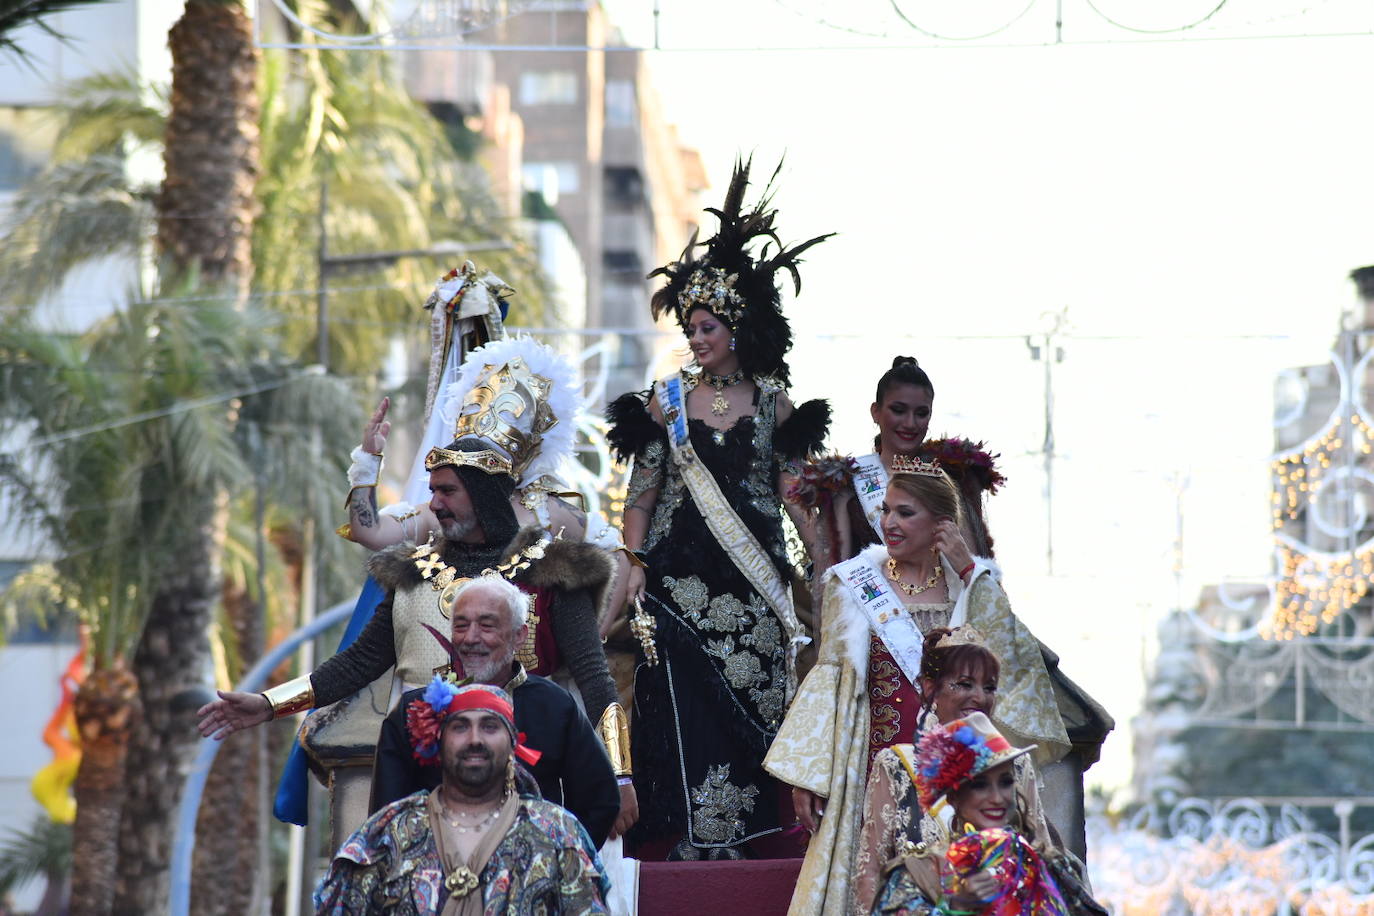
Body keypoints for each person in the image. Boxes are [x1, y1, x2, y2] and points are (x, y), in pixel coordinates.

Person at [198, 345, 636, 839]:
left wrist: (620, 776)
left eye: (447, 491)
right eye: (432, 491)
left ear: (484, 494)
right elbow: (359, 662)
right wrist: (267, 703)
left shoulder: (553, 568)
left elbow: (595, 679)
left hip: (526, 787)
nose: (434, 504)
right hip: (426, 787)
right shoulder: (414, 571)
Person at [605, 158, 832, 859]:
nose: (697, 336)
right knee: (680, 703)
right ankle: (692, 836)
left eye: (708, 325)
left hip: (755, 582)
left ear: (736, 326)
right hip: (676, 580)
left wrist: (824, 562)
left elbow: (795, 493)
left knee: (760, 701)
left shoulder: (773, 401)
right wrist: (634, 559)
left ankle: (751, 836)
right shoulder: (665, 401)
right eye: (691, 326)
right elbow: (642, 494)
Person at [764, 460, 1068, 914]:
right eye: (886, 510)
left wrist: (971, 573)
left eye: (905, 513)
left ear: (942, 524)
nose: (889, 522)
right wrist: (812, 774)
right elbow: (832, 677)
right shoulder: (854, 586)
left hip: (962, 772)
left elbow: (1013, 663)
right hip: (873, 764)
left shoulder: (971, 589)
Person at [314, 682, 611, 915]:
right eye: (460, 727)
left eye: (490, 726)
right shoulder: (389, 833)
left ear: (513, 745)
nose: (475, 739)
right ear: (437, 743)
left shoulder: (556, 832)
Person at [370, 575, 622, 846]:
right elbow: (387, 814)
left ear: (519, 636)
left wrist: (557, 860)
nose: (470, 638)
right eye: (461, 625)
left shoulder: (555, 705)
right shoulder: (413, 710)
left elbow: (599, 800)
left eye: (487, 626)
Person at [850, 626, 1055, 913]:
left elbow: (1042, 860)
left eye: (989, 687)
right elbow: (869, 870)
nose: (979, 697)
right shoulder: (897, 765)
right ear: (931, 688)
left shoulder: (1016, 763)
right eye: (964, 684)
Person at [788, 357, 1005, 580]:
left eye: (921, 413)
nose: (910, 423)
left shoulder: (952, 477)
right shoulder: (847, 483)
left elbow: (974, 565)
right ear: (875, 412)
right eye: (899, 410)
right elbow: (835, 575)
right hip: (877, 611)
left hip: (946, 610)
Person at [868, 712, 1103, 916]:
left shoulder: (1050, 867)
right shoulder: (918, 875)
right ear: (954, 798)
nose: (998, 797)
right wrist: (956, 906)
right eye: (980, 785)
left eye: (1005, 782)